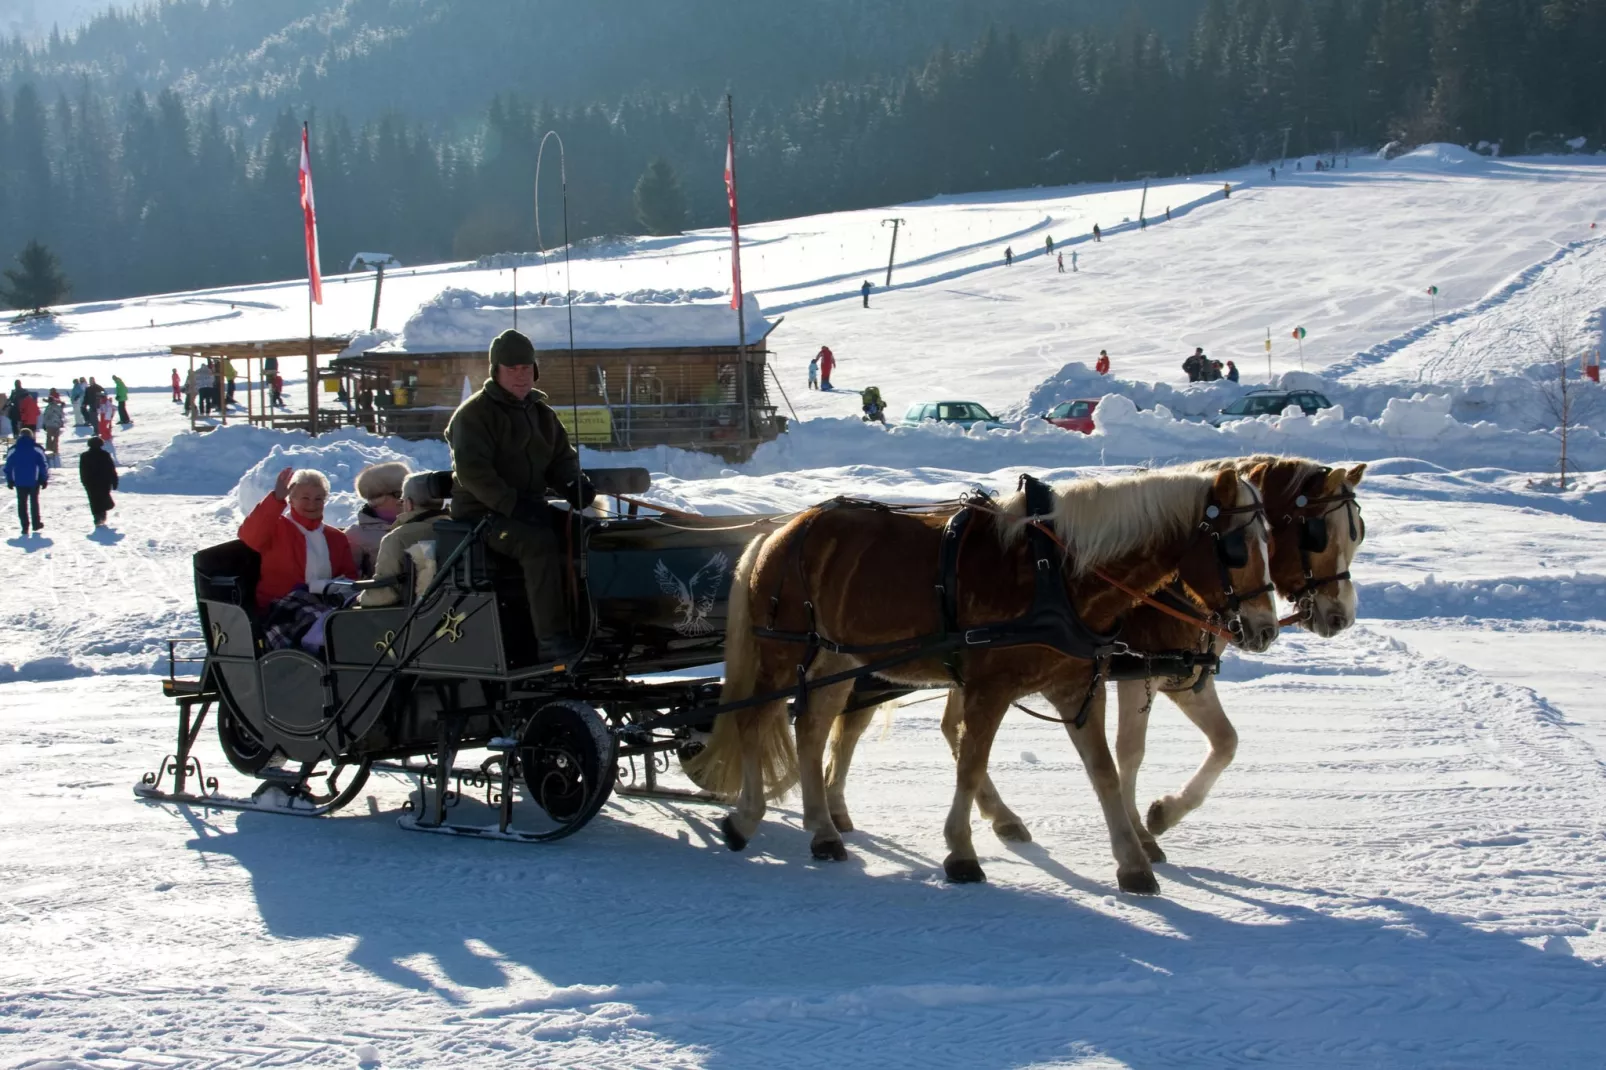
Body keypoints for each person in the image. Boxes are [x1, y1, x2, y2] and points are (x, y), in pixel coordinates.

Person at [446, 328, 593, 659]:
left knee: (589, 534)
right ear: (495, 371)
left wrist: (574, 485)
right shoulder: (473, 415)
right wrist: (512, 505)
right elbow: (473, 473)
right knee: (537, 543)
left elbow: (561, 460)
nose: (520, 375)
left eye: (526, 368)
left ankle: (594, 622)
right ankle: (552, 639)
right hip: (482, 515)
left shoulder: (542, 415)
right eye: (512, 369)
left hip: (528, 508)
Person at [239, 466, 358, 651]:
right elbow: (249, 536)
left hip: (325, 604)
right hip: (282, 608)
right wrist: (276, 499)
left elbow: (349, 576)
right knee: (328, 628)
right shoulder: (276, 529)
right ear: (291, 500)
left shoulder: (336, 537)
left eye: (318, 498)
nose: (312, 504)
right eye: (305, 498)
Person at [359, 472, 450, 608]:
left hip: (413, 618)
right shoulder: (462, 530)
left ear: (408, 503)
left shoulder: (398, 537)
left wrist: (357, 598)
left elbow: (384, 595)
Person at [345, 461, 409, 579]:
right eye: (398, 494)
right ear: (377, 499)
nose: (404, 500)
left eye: (407, 493)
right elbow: (349, 580)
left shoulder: (420, 525)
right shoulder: (357, 535)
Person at [5, 427, 49, 535]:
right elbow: (43, 464)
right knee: (34, 502)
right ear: (31, 435)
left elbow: (8, 466)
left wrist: (10, 480)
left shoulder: (13, 449)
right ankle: (36, 523)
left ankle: (25, 526)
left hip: (19, 480)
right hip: (34, 480)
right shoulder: (37, 448)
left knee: (22, 503)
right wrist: (44, 478)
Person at [79, 436, 118, 527]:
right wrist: (114, 480)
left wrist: (84, 481)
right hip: (104, 481)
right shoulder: (105, 454)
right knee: (103, 498)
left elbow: (82, 470)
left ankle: (97, 517)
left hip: (90, 482)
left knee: (93, 500)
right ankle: (102, 515)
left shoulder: (84, 455)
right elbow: (111, 469)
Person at [41, 390, 64, 462]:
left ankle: (49, 449)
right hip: (56, 424)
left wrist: (44, 424)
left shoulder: (48, 408)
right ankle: (55, 450)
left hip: (49, 425)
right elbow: (61, 414)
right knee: (56, 438)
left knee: (49, 437)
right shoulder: (57, 407)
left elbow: (46, 416)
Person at [96, 395, 117, 460]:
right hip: (103, 416)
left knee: (102, 427)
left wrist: (108, 417)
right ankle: (106, 436)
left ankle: (106, 436)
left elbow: (109, 410)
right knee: (102, 426)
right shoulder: (102, 402)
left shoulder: (106, 402)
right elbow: (101, 409)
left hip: (105, 416)